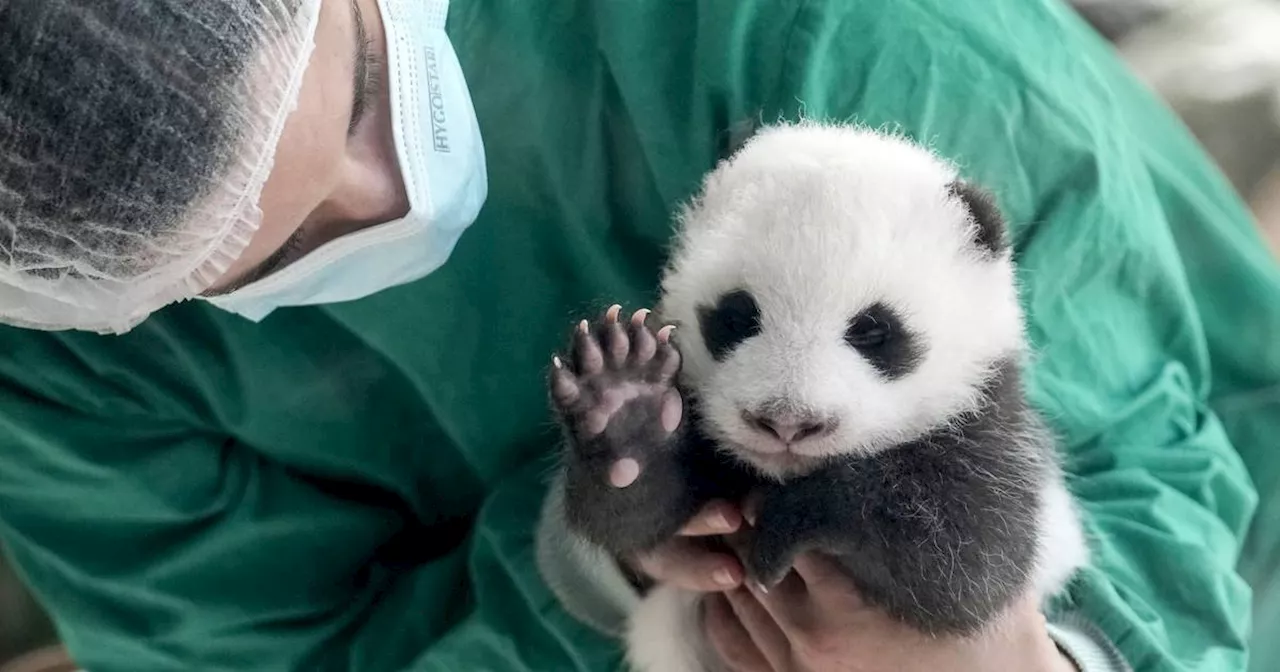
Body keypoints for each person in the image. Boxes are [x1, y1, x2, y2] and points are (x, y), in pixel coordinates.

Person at [0, 0, 1276, 671]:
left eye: (367, 96)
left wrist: (1046, 656)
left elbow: (1151, 444)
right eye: (270, 258)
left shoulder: (797, 25)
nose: (381, 201)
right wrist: (602, 557)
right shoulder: (54, 370)